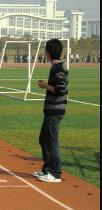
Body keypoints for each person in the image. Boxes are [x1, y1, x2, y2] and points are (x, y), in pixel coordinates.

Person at [34, 39, 69, 183]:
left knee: (52, 142)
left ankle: (55, 174)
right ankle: (46, 169)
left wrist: (45, 86)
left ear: (48, 53)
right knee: (43, 140)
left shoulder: (59, 68)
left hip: (55, 111)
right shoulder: (55, 67)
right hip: (50, 110)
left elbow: (61, 90)